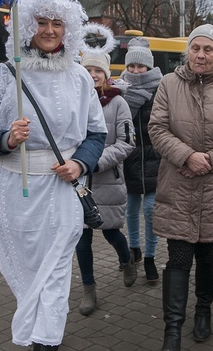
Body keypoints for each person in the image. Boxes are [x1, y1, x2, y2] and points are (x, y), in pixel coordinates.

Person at [0, 0, 108, 351]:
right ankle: (35, 332)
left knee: (56, 270)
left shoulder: (80, 77)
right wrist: (7, 138)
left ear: (68, 29)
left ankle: (47, 342)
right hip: (16, 190)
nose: (49, 30)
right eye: (42, 22)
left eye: (57, 23)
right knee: (29, 273)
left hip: (62, 188)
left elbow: (97, 134)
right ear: (29, 26)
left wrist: (80, 164)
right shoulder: (4, 75)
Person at [148, 24, 213, 351]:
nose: (201, 55)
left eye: (208, 49)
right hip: (178, 186)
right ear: (187, 51)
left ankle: (203, 309)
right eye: (196, 48)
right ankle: (172, 330)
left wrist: (209, 160)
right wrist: (187, 156)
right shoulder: (169, 83)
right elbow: (157, 128)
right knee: (178, 259)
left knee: (209, 256)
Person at [76, 51, 137, 316]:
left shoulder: (118, 103)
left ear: (106, 74)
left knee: (111, 232)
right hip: (78, 181)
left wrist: (95, 160)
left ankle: (127, 259)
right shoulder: (73, 100)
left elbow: (126, 143)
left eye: (97, 71)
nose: (92, 75)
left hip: (106, 178)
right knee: (81, 238)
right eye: (87, 70)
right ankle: (89, 289)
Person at [120, 37, 163, 282]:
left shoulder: (160, 89)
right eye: (132, 66)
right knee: (132, 208)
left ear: (149, 67)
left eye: (141, 66)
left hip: (155, 159)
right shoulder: (121, 89)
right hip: (130, 159)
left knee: (151, 209)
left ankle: (150, 257)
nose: (136, 71)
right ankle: (134, 249)